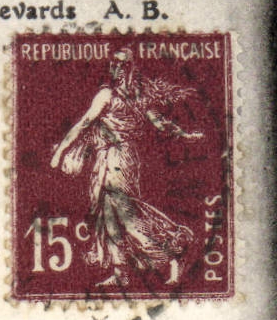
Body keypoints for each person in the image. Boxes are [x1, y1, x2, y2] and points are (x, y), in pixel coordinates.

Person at [49, 47, 204, 288]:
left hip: (120, 158)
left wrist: (60, 152)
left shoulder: (123, 97)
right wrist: (62, 151)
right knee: (108, 213)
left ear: (129, 68)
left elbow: (158, 123)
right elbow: (86, 124)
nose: (116, 67)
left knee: (126, 213)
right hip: (108, 156)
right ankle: (121, 273)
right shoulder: (113, 95)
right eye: (114, 63)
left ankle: (173, 252)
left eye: (121, 63)